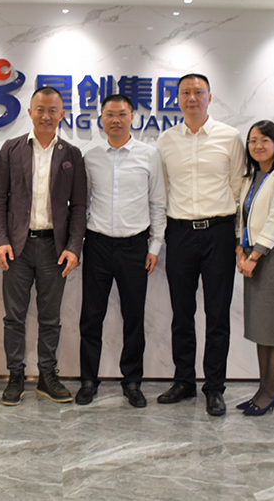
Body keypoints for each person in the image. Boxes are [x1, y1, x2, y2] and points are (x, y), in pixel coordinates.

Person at [0, 86, 87, 406]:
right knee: (13, 318)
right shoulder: (11, 148)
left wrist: (74, 246)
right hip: (16, 248)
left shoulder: (71, 154)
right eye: (40, 110)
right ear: (30, 112)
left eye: (52, 110)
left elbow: (79, 205)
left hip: (54, 249)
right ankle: (15, 376)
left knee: (50, 318)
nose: (46, 116)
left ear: (62, 114)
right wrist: (0, 241)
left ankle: (47, 375)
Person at [156, 73, 245, 416]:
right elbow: (164, 189)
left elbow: (238, 188)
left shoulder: (229, 137)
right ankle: (184, 381)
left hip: (218, 232)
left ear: (210, 97)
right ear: (177, 99)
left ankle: (215, 388)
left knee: (217, 314)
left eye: (198, 92)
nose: (191, 98)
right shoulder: (166, 140)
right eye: (185, 93)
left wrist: (237, 237)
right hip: (180, 233)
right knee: (182, 313)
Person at [76, 94, 167, 408]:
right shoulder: (90, 157)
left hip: (134, 246)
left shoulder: (149, 155)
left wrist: (155, 245)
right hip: (98, 244)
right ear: (101, 119)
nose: (116, 120)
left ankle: (132, 382)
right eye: (110, 114)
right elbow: (83, 202)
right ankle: (88, 381)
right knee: (91, 317)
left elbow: (158, 203)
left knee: (134, 317)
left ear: (132, 118)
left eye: (122, 114)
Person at [235, 120, 274, 416]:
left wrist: (254, 257)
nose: (257, 146)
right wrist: (240, 250)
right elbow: (242, 218)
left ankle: (270, 393)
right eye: (252, 141)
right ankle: (262, 390)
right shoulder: (251, 177)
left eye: (264, 140)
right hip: (250, 256)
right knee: (262, 329)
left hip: (272, 258)